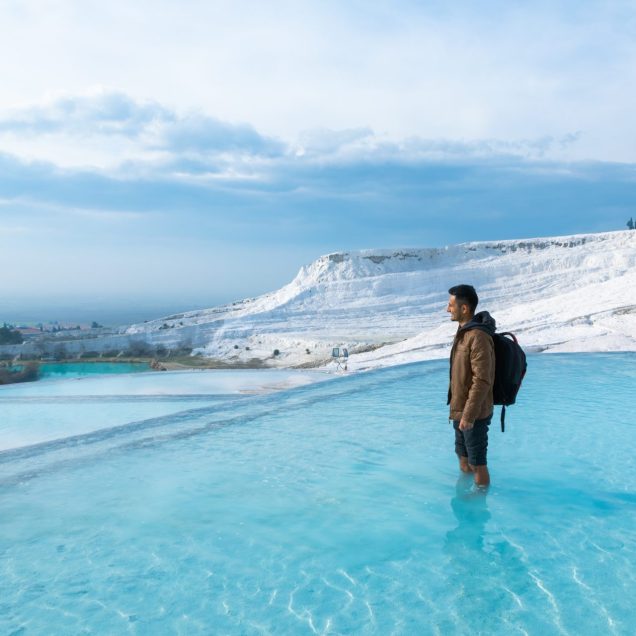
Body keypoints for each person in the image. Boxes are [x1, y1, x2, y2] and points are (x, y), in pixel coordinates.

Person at [446, 284, 495, 487]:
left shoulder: (478, 337)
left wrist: (469, 414)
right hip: (460, 410)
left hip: (474, 413)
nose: (447, 309)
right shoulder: (463, 333)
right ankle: (464, 491)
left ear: (464, 308)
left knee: (477, 464)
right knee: (463, 459)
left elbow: (482, 380)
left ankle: (480, 503)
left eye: (450, 305)